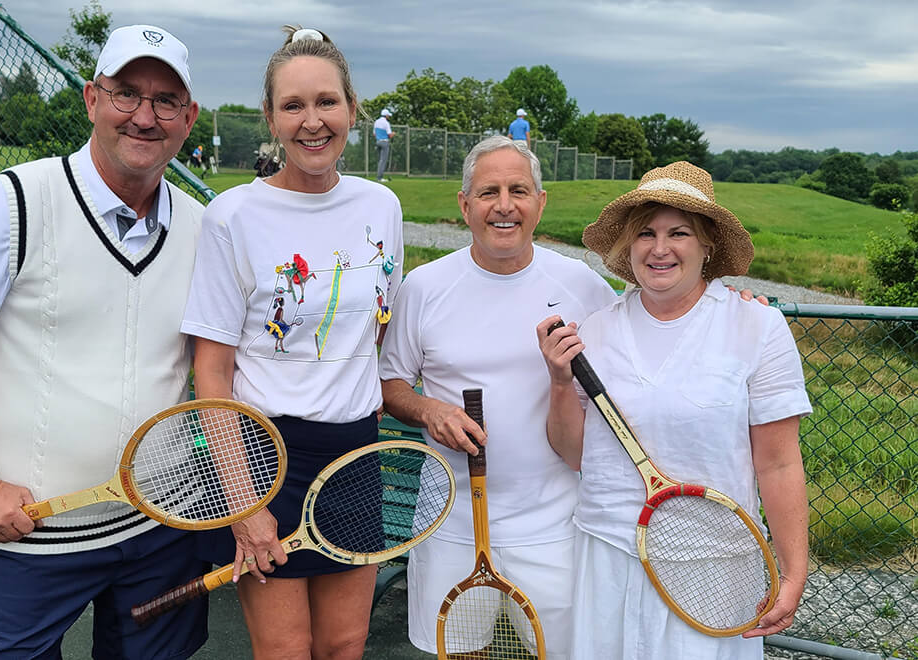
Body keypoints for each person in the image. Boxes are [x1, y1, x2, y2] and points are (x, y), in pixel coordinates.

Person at [0, 24, 208, 659]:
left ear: (189, 118)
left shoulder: (204, 227)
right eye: (126, 94)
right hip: (34, 533)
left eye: (165, 100)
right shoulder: (11, 203)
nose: (144, 117)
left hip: (163, 525)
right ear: (92, 100)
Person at [180, 25, 403, 660]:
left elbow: (374, 325)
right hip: (263, 458)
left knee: (344, 645)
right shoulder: (234, 215)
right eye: (293, 106)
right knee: (286, 651)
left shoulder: (381, 206)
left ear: (352, 110)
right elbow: (213, 370)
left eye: (327, 102)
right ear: (271, 120)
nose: (313, 121)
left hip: (354, 452)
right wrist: (244, 501)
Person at [540, 161, 810, 658]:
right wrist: (560, 381)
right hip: (609, 553)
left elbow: (779, 462)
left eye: (678, 233)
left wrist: (794, 573)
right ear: (628, 245)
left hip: (714, 562)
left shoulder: (757, 327)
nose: (659, 248)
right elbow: (575, 454)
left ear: (707, 244)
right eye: (645, 233)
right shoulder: (595, 331)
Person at [379, 135, 617, 659]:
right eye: (488, 192)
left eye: (519, 190)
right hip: (449, 525)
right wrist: (429, 408)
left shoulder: (584, 286)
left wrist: (726, 297)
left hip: (556, 525)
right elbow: (390, 385)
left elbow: (645, 337)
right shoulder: (424, 287)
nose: (504, 206)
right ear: (465, 205)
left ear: (540, 202)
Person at [374, 107, 395, 182]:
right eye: (388, 115)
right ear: (386, 115)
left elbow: (374, 134)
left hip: (378, 141)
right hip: (384, 142)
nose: (388, 116)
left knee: (380, 160)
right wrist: (393, 134)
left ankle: (378, 176)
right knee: (383, 160)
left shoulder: (376, 122)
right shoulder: (386, 123)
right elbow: (389, 135)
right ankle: (380, 177)